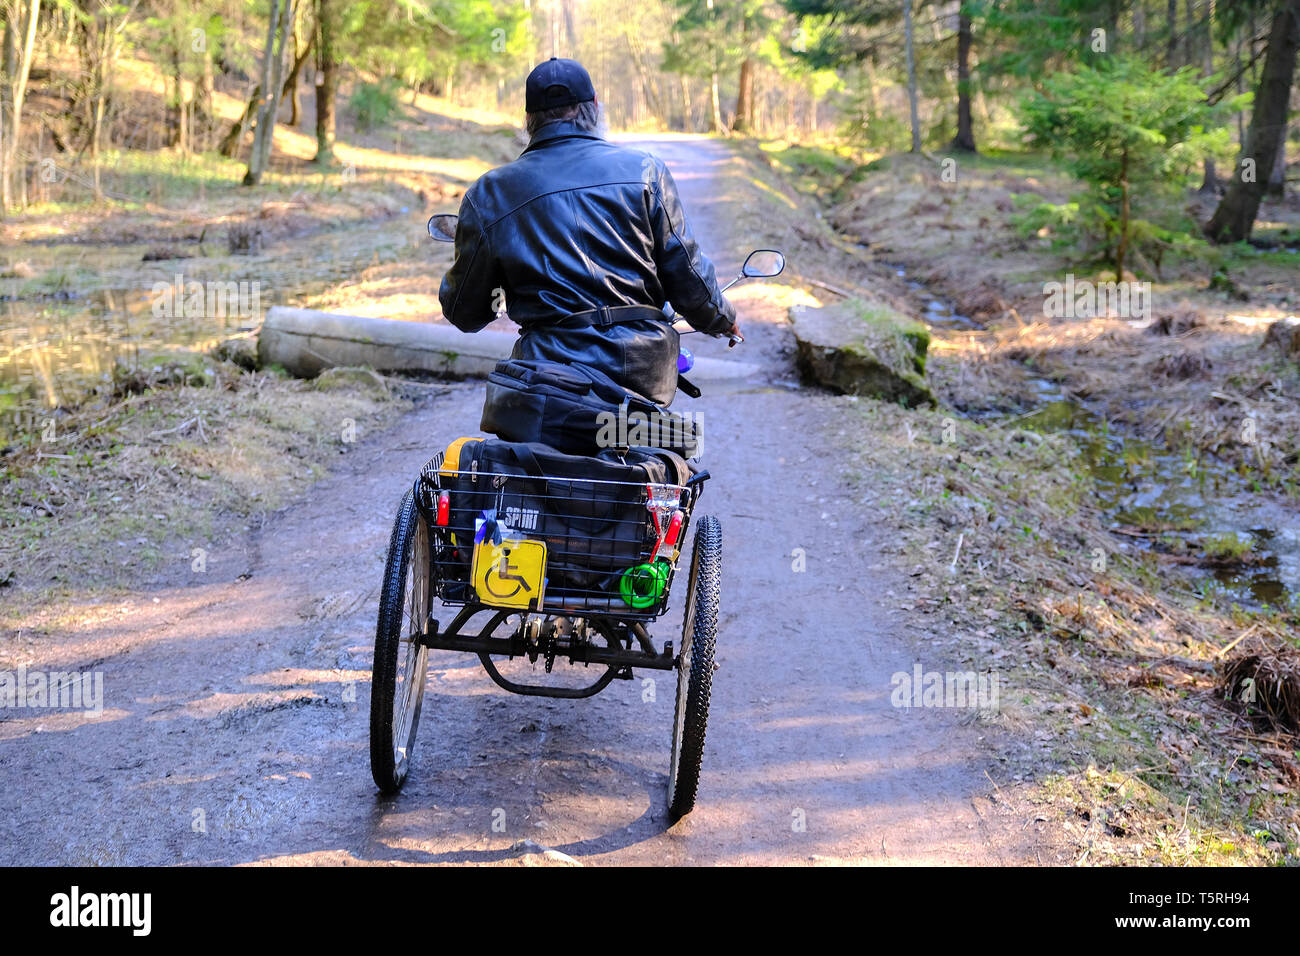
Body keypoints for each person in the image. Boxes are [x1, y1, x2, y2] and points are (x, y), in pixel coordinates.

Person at [438, 57, 738, 407]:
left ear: (528, 119)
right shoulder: (645, 170)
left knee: (515, 452)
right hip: (642, 370)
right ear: (594, 108)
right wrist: (721, 318)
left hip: (546, 376)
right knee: (673, 446)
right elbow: (685, 272)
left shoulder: (490, 193)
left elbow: (464, 311)